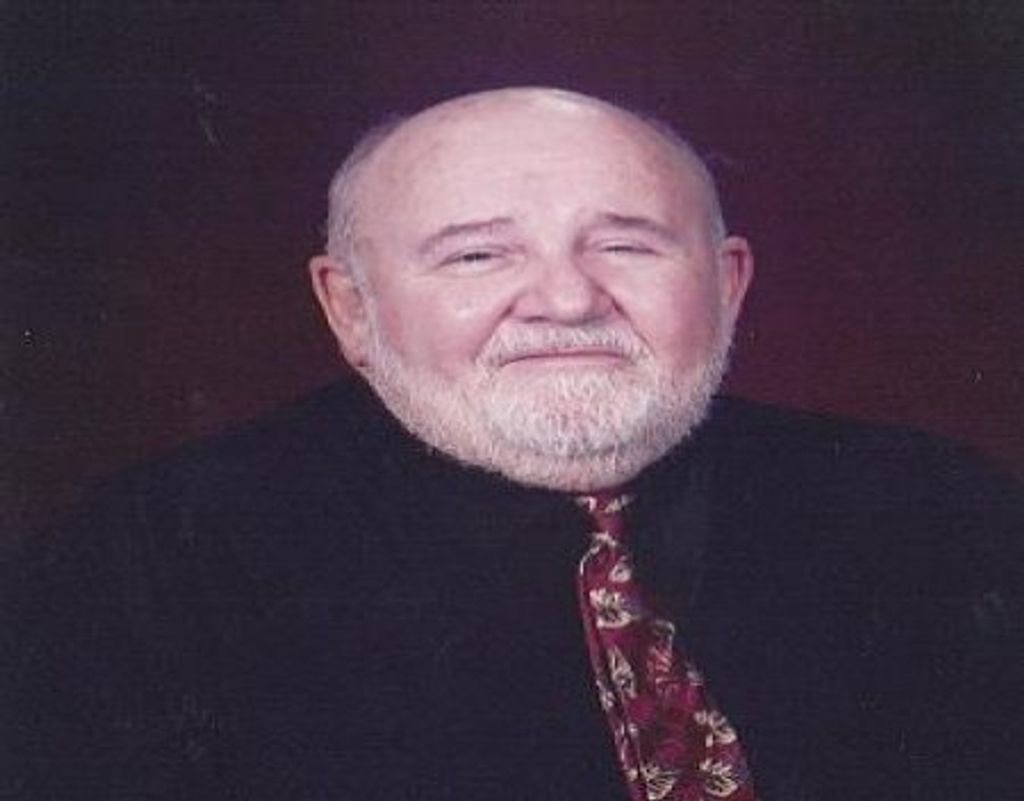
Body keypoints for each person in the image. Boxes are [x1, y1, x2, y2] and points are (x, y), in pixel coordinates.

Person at [4, 88, 1020, 800]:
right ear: (349, 308)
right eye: (478, 255)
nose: (567, 299)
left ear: (727, 283)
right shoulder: (138, 569)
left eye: (626, 244)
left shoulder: (938, 509)